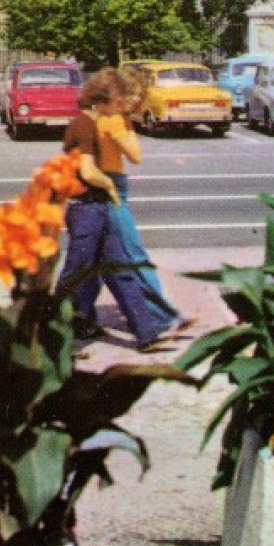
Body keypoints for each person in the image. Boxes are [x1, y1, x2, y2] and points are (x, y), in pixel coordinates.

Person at [58, 70, 174, 352]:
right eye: (119, 99)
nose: (123, 106)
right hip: (86, 207)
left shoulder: (97, 122)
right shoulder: (83, 125)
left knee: (119, 270)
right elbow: (87, 170)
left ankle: (147, 336)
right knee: (75, 273)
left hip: (97, 206)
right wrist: (110, 186)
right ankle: (54, 337)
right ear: (103, 99)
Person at [94, 69, 191, 334]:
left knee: (109, 258)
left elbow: (131, 154)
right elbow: (135, 155)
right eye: (131, 97)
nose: (135, 103)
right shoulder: (112, 119)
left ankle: (152, 314)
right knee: (129, 254)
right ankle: (159, 316)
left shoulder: (112, 118)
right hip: (107, 188)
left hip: (108, 186)